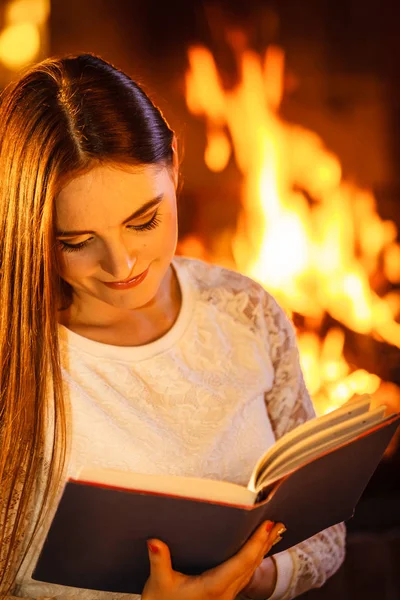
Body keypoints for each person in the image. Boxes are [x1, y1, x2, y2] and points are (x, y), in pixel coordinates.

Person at [0, 53, 345, 600]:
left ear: (175, 170)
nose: (123, 266)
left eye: (144, 221)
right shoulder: (13, 353)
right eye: (76, 241)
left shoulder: (244, 312)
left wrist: (249, 580)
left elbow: (325, 535)